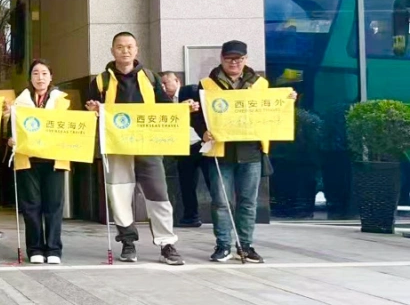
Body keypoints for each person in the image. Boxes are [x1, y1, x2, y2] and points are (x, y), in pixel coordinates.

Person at [84, 32, 191, 266]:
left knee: (158, 194)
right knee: (119, 196)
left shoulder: (150, 78)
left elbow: (164, 107)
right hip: (117, 147)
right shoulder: (101, 81)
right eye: (120, 47)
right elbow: (89, 112)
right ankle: (128, 242)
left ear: (136, 49)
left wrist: (182, 109)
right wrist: (92, 110)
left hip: (148, 145)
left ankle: (166, 243)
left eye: (129, 46)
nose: (125, 50)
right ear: (112, 51)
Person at [192, 40, 295, 263]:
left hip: (251, 151)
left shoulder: (260, 84)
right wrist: (203, 132)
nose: (234, 63)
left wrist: (287, 101)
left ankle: (245, 245)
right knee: (221, 202)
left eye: (238, 59)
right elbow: (197, 116)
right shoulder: (207, 84)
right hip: (220, 151)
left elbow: (272, 110)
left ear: (246, 59)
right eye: (229, 58)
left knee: (248, 201)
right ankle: (223, 245)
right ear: (221, 59)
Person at [9, 60, 68, 264]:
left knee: (54, 205)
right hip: (28, 159)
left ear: (51, 77)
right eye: (35, 73)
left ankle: (53, 249)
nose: (40, 77)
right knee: (31, 205)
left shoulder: (63, 101)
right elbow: (10, 130)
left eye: (44, 73)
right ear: (30, 78)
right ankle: (34, 249)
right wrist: (9, 139)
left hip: (54, 159)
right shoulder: (19, 103)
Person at [161, 71, 206, 228]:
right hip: (183, 147)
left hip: (202, 144)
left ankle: (224, 217)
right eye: (160, 84)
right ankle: (191, 217)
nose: (163, 87)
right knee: (186, 184)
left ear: (177, 81)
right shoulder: (162, 100)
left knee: (212, 182)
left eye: (165, 83)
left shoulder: (192, 91)